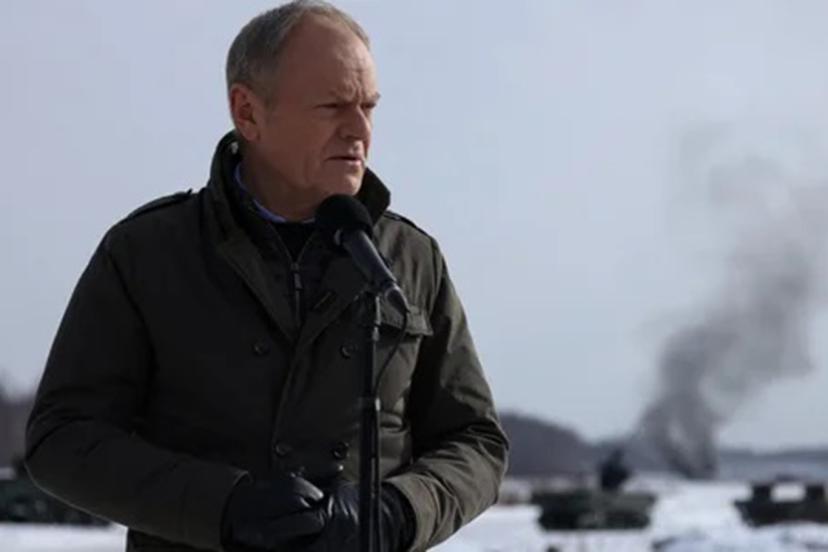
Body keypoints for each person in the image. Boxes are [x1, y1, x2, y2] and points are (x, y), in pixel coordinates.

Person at [24, 2, 509, 551]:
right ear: (248, 112)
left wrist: (397, 512)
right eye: (333, 106)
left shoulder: (411, 258)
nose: (359, 130)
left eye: (369, 106)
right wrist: (223, 506)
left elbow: (476, 441)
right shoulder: (147, 253)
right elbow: (62, 439)